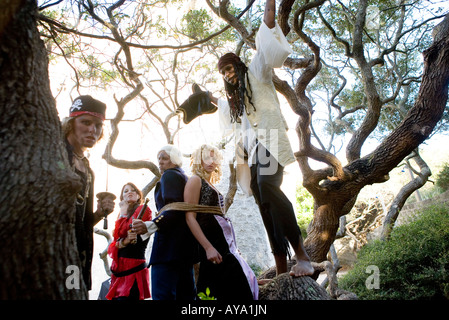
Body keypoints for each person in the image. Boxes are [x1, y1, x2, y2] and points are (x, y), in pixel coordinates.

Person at [209, 0, 314, 278]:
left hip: (269, 142)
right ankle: (282, 266)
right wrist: (203, 97)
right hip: (250, 153)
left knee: (268, 186)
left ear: (240, 66)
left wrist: (270, 4)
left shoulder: (256, 72)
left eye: (230, 68)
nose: (228, 75)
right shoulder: (234, 103)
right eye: (224, 73)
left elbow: (267, 26)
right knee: (264, 204)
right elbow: (219, 106)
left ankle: (303, 256)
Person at [184, 144, 258, 300]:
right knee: (215, 288)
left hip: (224, 245)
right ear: (198, 160)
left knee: (233, 286)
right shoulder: (195, 180)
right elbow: (190, 217)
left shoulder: (211, 184)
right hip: (211, 246)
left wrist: (233, 247)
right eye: (206, 157)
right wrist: (208, 248)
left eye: (214, 157)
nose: (211, 161)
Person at [62, 95, 114, 290]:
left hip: (78, 258)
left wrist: (100, 213)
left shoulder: (87, 168)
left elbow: (82, 224)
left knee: (75, 293)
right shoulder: (57, 156)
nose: (93, 130)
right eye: (85, 122)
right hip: (53, 255)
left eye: (98, 125)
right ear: (70, 123)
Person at [133, 145, 197, 300]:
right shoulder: (183, 176)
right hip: (183, 250)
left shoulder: (170, 175)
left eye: (165, 158)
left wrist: (150, 225)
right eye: (159, 158)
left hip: (168, 249)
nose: (160, 161)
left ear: (174, 160)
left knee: (163, 296)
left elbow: (173, 208)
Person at [106, 182, 152, 300]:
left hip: (133, 269)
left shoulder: (143, 209)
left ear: (138, 196)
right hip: (119, 271)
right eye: (126, 191)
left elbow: (127, 229)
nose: (130, 192)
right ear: (122, 198)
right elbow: (113, 245)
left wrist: (123, 213)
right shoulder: (121, 215)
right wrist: (123, 242)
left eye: (133, 190)